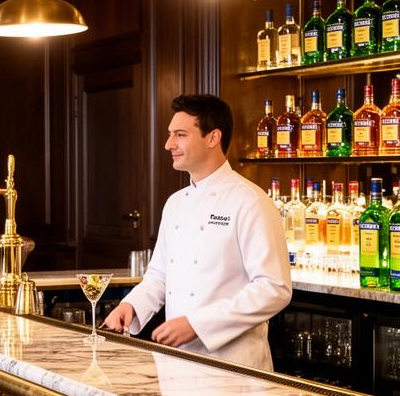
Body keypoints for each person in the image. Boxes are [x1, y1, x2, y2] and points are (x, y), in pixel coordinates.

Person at [103, 93, 291, 371]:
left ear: (213, 137)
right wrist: (130, 307)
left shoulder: (251, 201)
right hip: (178, 361)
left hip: (234, 366)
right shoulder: (175, 203)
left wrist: (198, 325)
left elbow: (274, 288)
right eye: (170, 135)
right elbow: (158, 276)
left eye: (180, 135)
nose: (169, 145)